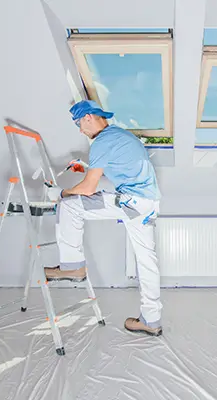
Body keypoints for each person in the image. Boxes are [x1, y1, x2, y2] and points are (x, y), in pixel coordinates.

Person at [44, 100, 163, 336]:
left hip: (131, 202)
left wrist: (59, 192)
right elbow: (121, 167)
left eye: (79, 123)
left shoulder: (101, 142)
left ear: (88, 117)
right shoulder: (120, 136)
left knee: (69, 205)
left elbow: (88, 189)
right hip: (149, 204)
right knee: (147, 261)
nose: (80, 130)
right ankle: (151, 319)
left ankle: (72, 266)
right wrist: (88, 167)